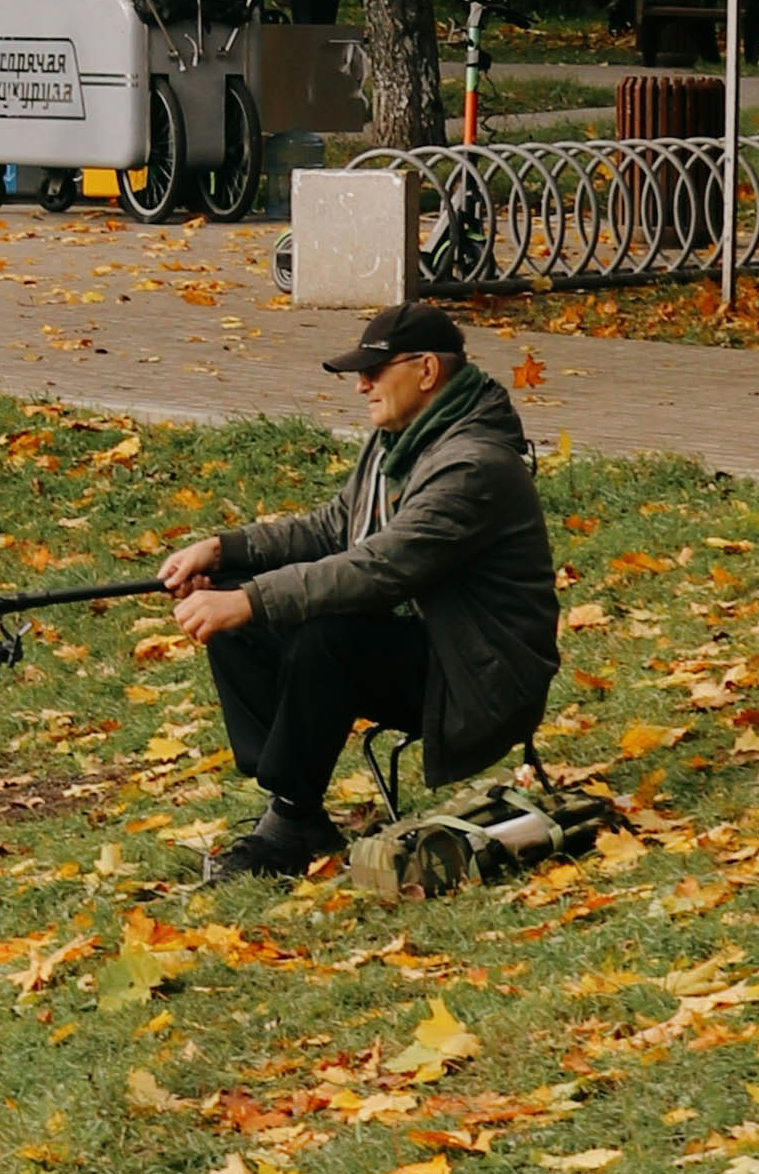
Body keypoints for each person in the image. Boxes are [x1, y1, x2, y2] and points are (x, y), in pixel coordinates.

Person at [156, 299, 562, 880]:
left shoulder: (473, 465)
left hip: (480, 675)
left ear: (427, 372)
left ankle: (290, 825)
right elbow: (333, 528)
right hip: (425, 640)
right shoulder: (400, 438)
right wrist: (225, 553)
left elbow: (381, 567)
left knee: (327, 634)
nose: (361, 385)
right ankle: (292, 803)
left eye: (375, 371)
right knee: (241, 606)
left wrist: (249, 600)